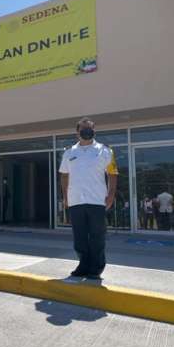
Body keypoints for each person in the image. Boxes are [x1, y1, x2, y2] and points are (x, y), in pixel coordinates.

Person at [59, 117, 118, 280]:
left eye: (90, 128)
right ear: (77, 132)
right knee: (79, 236)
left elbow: (113, 174)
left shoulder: (105, 151)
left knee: (97, 235)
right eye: (84, 129)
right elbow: (64, 175)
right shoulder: (69, 152)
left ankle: (96, 268)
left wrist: (111, 195)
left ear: (94, 131)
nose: (87, 131)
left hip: (97, 200)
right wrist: (65, 197)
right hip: (75, 200)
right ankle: (83, 265)